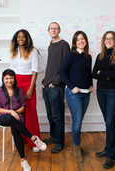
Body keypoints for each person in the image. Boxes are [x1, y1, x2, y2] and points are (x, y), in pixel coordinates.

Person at [0, 69, 47, 171]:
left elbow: (23, 107)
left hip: (16, 118)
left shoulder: (19, 91)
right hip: (2, 117)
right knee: (10, 118)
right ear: (3, 79)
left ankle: (23, 160)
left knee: (16, 129)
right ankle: (33, 138)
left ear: (14, 79)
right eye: (6, 78)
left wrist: (16, 113)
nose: (9, 80)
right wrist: (12, 112)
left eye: (11, 78)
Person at [59, 30, 93, 163]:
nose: (80, 41)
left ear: (86, 41)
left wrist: (90, 85)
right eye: (78, 40)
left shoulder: (88, 57)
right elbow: (62, 72)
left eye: (82, 39)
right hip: (74, 94)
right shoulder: (71, 55)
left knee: (79, 121)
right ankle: (77, 148)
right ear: (75, 42)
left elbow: (88, 74)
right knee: (77, 122)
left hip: (86, 93)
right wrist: (72, 87)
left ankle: (75, 145)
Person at [92, 31, 115, 169]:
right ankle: (108, 148)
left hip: (113, 92)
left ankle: (111, 156)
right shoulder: (100, 56)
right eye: (106, 38)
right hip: (101, 92)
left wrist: (101, 73)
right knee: (108, 122)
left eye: (111, 38)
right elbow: (93, 74)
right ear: (104, 41)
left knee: (110, 123)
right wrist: (107, 75)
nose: (108, 40)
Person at [10, 29, 41, 152]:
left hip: (28, 82)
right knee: (18, 113)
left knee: (31, 112)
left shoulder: (33, 51)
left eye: (23, 37)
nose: (20, 39)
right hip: (16, 83)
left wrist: (30, 88)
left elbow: (35, 71)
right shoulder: (14, 51)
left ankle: (34, 141)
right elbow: (11, 70)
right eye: (18, 37)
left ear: (27, 38)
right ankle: (21, 139)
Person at [42, 22, 70, 153]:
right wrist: (44, 81)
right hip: (47, 85)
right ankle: (54, 137)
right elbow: (51, 66)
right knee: (50, 114)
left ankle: (59, 142)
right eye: (51, 28)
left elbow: (66, 67)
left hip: (56, 86)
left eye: (55, 28)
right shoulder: (51, 45)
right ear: (48, 31)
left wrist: (56, 82)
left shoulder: (64, 45)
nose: (53, 30)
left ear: (59, 30)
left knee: (57, 115)